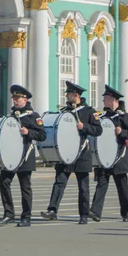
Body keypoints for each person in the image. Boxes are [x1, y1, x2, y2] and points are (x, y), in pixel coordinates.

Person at [40, 81, 103, 224]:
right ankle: (52, 210)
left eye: (68, 94)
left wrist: (84, 127)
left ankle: (84, 215)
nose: (66, 97)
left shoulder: (89, 112)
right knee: (59, 183)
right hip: (66, 153)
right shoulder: (65, 112)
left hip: (82, 154)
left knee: (83, 187)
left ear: (76, 95)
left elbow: (98, 130)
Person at [0, 85, 47, 227]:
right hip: (10, 156)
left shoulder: (33, 116)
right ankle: (9, 214)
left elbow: (42, 135)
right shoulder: (10, 116)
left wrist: (28, 132)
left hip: (25, 155)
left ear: (25, 99)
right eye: (13, 98)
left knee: (25, 186)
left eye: (17, 98)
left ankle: (26, 216)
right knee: (4, 182)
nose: (14, 101)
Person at [89, 85, 128, 222]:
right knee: (101, 184)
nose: (103, 101)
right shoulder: (102, 117)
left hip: (119, 157)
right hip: (104, 157)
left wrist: (122, 132)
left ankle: (127, 213)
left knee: (122, 187)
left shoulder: (125, 117)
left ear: (113, 100)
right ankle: (95, 212)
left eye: (105, 98)